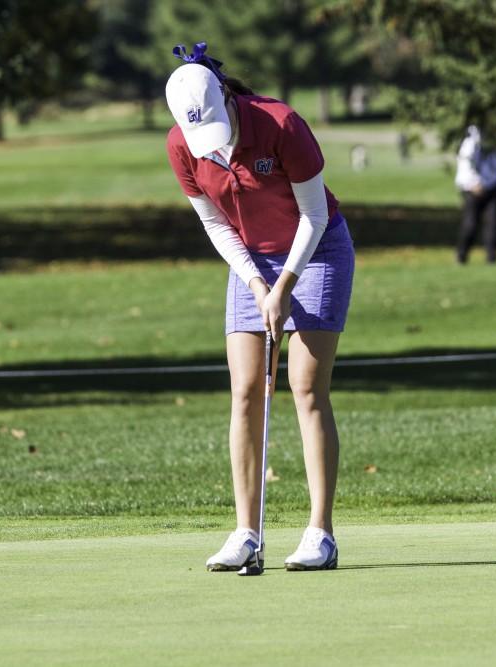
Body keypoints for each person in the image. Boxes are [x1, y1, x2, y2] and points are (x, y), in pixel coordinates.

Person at [164, 43, 354, 572]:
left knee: (305, 387)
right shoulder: (183, 145)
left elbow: (314, 216)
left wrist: (285, 283)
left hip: (316, 252)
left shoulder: (281, 124)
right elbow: (215, 223)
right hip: (250, 261)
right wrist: (255, 283)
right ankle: (246, 532)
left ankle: (321, 534)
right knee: (246, 390)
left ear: (227, 95)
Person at [454, 125, 496, 264]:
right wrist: (474, 184)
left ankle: (492, 258)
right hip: (472, 190)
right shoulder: (469, 145)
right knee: (470, 225)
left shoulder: (493, 145)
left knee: (493, 225)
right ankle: (461, 256)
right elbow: (467, 166)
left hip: (492, 188)